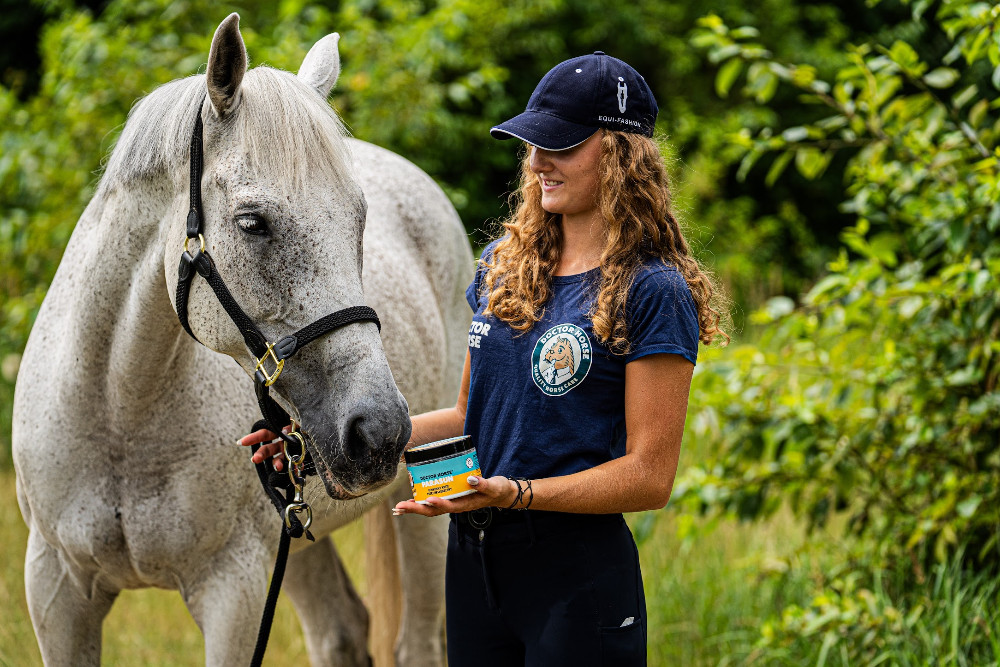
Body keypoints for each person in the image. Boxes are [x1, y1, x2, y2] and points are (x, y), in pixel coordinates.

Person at [243, 51, 726, 666]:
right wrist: (310, 445)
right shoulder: (504, 265)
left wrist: (515, 494)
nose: (538, 161)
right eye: (532, 143)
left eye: (560, 145)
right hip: (472, 564)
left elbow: (649, 477)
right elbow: (470, 416)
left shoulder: (653, 291)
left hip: (575, 578)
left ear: (619, 152)